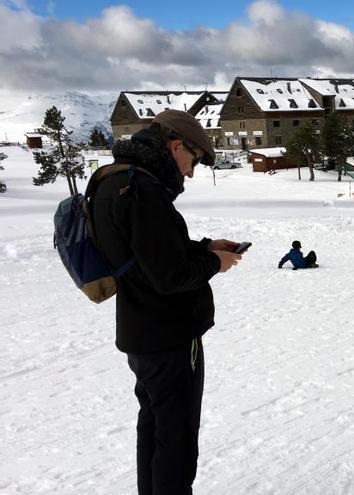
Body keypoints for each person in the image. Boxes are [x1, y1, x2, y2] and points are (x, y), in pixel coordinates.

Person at [90, 110, 242, 494]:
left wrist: (205, 247)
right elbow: (169, 274)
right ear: (176, 145)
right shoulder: (142, 190)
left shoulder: (114, 179)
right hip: (170, 337)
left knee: (155, 428)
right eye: (192, 160)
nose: (190, 173)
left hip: (140, 331)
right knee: (176, 440)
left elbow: (146, 253)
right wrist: (213, 263)